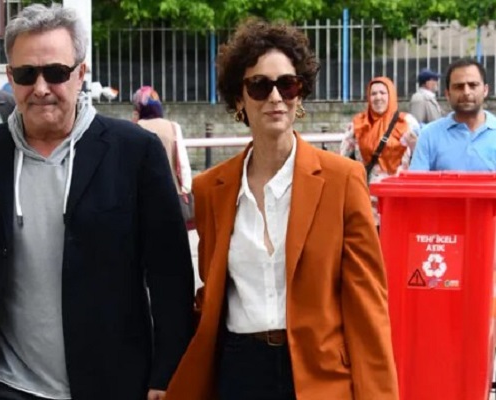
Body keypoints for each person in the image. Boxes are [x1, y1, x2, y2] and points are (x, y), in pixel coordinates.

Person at [0, 3, 195, 400]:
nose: (41, 88)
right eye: (27, 74)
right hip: (2, 384)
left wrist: (167, 375)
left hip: (112, 384)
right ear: (11, 78)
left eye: (56, 73)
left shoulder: (135, 154)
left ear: (81, 73)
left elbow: (170, 277)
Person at [165, 18, 398, 400]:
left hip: (319, 375)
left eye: (287, 85)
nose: (275, 97)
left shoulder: (342, 180)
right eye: (260, 86)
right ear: (239, 99)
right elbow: (210, 297)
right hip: (239, 371)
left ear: (299, 94)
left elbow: (367, 306)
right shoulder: (211, 190)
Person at [340, 76, 419, 225]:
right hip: (367, 200)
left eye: (383, 93)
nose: (378, 98)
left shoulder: (407, 122)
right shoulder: (358, 124)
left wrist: (415, 145)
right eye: (373, 93)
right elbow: (343, 160)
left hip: (399, 198)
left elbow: (421, 158)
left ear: (391, 95)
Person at [410, 58, 496, 171]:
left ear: (485, 90)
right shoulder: (429, 135)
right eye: (459, 87)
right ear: (447, 94)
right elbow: (417, 180)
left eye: (473, 85)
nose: (466, 92)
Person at [132, 86, 193, 228]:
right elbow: (183, 164)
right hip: (172, 196)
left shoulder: (135, 128)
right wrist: (185, 190)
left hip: (143, 200)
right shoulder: (173, 127)